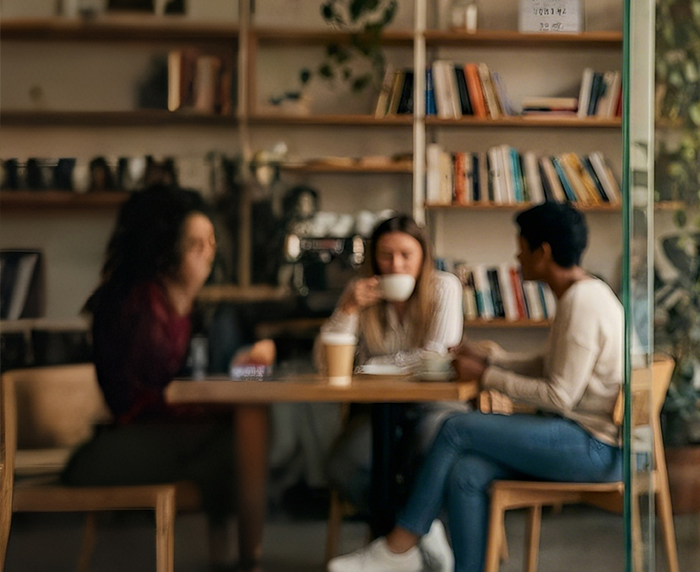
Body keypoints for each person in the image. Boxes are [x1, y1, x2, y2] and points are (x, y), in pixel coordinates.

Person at [328, 202, 625, 572]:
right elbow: (547, 365)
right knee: (467, 472)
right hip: (586, 440)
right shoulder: (583, 294)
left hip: (593, 447)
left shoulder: (583, 303)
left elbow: (559, 395)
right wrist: (491, 359)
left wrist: (484, 376)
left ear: (542, 252)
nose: (517, 257)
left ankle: (399, 546)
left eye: (521, 247)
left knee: (455, 428)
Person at [62, 185, 274, 572]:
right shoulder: (144, 303)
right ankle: (247, 559)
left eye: (211, 242)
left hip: (158, 437)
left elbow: (192, 381)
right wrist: (234, 383)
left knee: (248, 429)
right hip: (122, 447)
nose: (208, 253)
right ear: (164, 250)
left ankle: (242, 557)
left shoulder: (183, 306)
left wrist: (244, 367)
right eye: (195, 244)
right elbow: (162, 393)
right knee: (247, 433)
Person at [319, 215, 466, 511]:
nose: (396, 266)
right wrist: (348, 309)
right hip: (378, 406)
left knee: (429, 447)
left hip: (434, 403)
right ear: (374, 260)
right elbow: (325, 363)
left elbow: (436, 354)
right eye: (386, 256)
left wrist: (376, 365)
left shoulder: (444, 288)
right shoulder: (361, 295)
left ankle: (407, 536)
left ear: (423, 257)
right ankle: (406, 532)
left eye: (406, 256)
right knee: (340, 466)